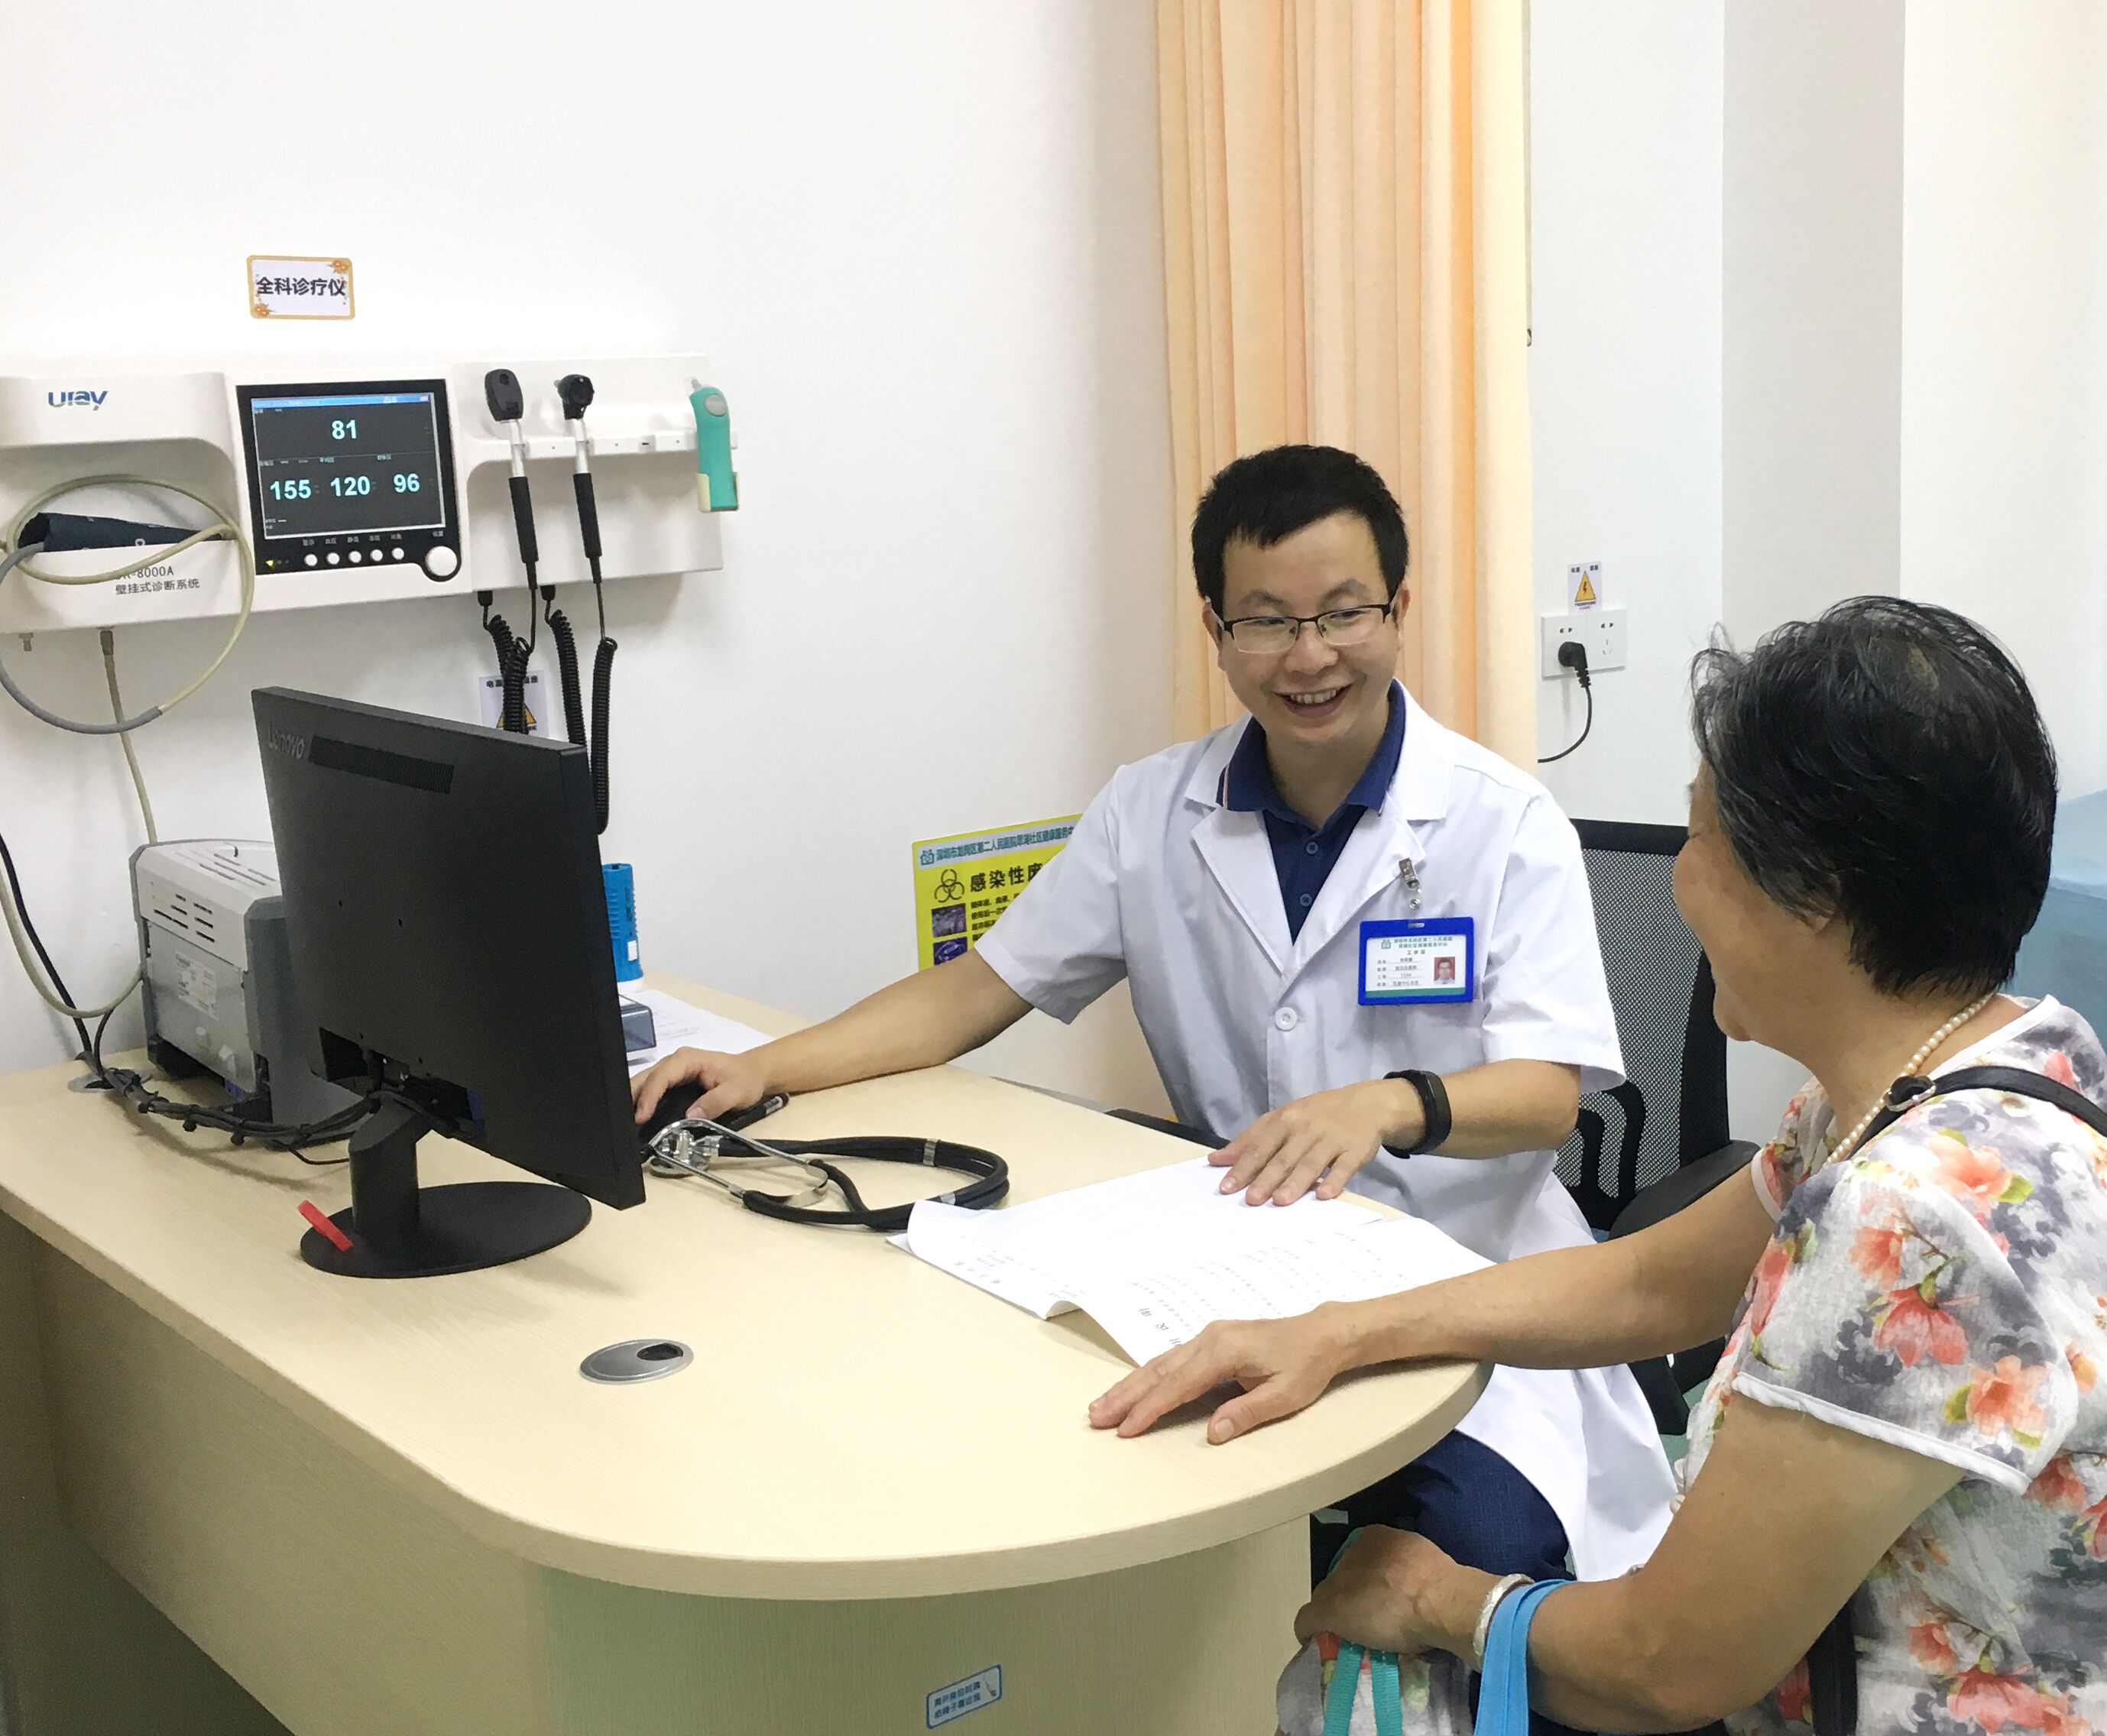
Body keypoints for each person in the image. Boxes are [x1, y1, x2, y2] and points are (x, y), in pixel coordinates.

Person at [1093, 598, 2107, 1736]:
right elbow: (1651, 1283)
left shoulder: (1915, 1220)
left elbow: (1665, 1669)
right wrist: (1340, 1331)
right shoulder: (1989, 1067)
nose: (1678, 878)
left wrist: (1436, 1599)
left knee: (1350, 1697)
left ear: (1816, 893)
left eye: (1700, 837)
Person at [634, 443, 1677, 1593]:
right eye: (1267, 621)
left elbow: (1544, 1097)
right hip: (1226, 1262)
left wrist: (1389, 1105)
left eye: (1345, 613)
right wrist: (767, 1066)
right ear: (1216, 630)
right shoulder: (1152, 809)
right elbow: (974, 991)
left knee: (1476, 1549)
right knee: (1071, 1473)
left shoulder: (1503, 822)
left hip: (1458, 1286)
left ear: (1400, 610)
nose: (1310, 656)